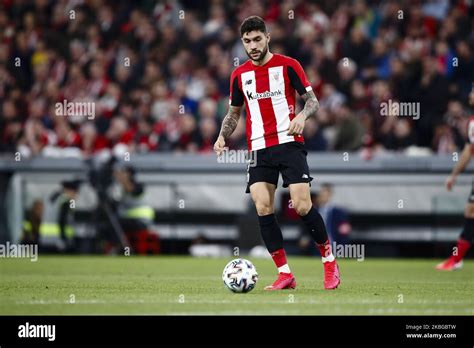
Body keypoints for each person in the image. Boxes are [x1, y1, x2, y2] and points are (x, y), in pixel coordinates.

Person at [213, 16, 340, 290]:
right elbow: (234, 113)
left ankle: (329, 261)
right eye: (247, 41)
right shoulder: (239, 75)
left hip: (288, 142)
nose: (253, 45)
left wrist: (303, 117)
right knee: (262, 207)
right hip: (258, 148)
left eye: (257, 39)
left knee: (302, 205)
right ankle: (285, 272)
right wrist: (223, 136)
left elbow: (313, 102)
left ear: (267, 37)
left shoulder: (288, 65)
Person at [437, 91, 474, 270]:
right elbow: (468, 151)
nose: (470, 95)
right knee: (470, 211)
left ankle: (456, 258)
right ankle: (456, 258)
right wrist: (454, 175)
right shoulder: (472, 123)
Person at [38, 179, 81, 253]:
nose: (76, 196)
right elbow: (62, 221)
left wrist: (73, 201)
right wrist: (64, 240)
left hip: (45, 239)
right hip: (57, 241)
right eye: (75, 193)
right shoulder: (64, 201)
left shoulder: (54, 197)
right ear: (69, 191)